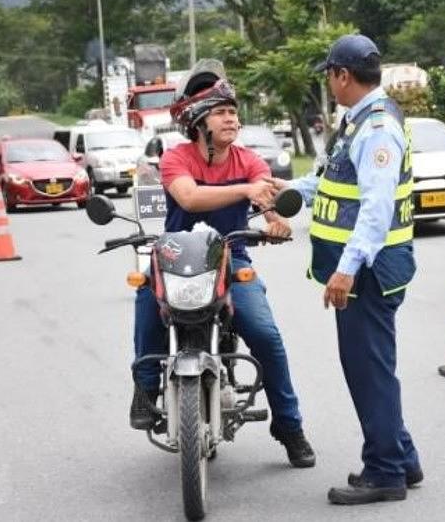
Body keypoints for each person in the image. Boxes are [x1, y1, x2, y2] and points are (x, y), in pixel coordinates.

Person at [129, 59, 315, 468]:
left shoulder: (249, 161)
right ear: (198, 122)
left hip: (231, 257)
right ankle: (144, 389)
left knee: (265, 335)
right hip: (176, 257)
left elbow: (267, 201)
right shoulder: (177, 158)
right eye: (221, 112)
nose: (232, 119)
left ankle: (289, 424)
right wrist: (245, 190)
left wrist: (275, 220)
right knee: (146, 298)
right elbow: (190, 198)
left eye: (233, 111)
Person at [271, 34, 422, 504]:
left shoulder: (376, 129)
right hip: (370, 269)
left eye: (329, 75)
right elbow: (331, 184)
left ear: (342, 75)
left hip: (370, 272)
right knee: (372, 365)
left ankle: (385, 473)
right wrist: (283, 190)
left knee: (368, 369)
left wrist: (346, 269)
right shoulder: (358, 123)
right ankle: (402, 458)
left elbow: (375, 210)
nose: (329, 84)